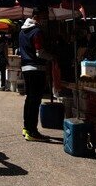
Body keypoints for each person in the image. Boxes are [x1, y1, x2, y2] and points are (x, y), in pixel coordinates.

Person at [19, 7, 55, 142]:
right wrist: (52, 57)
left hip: (26, 69)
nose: (45, 19)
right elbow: (40, 52)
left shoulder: (22, 31)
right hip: (36, 68)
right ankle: (32, 131)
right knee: (35, 101)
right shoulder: (37, 31)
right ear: (36, 16)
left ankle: (26, 128)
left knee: (29, 100)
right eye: (44, 16)